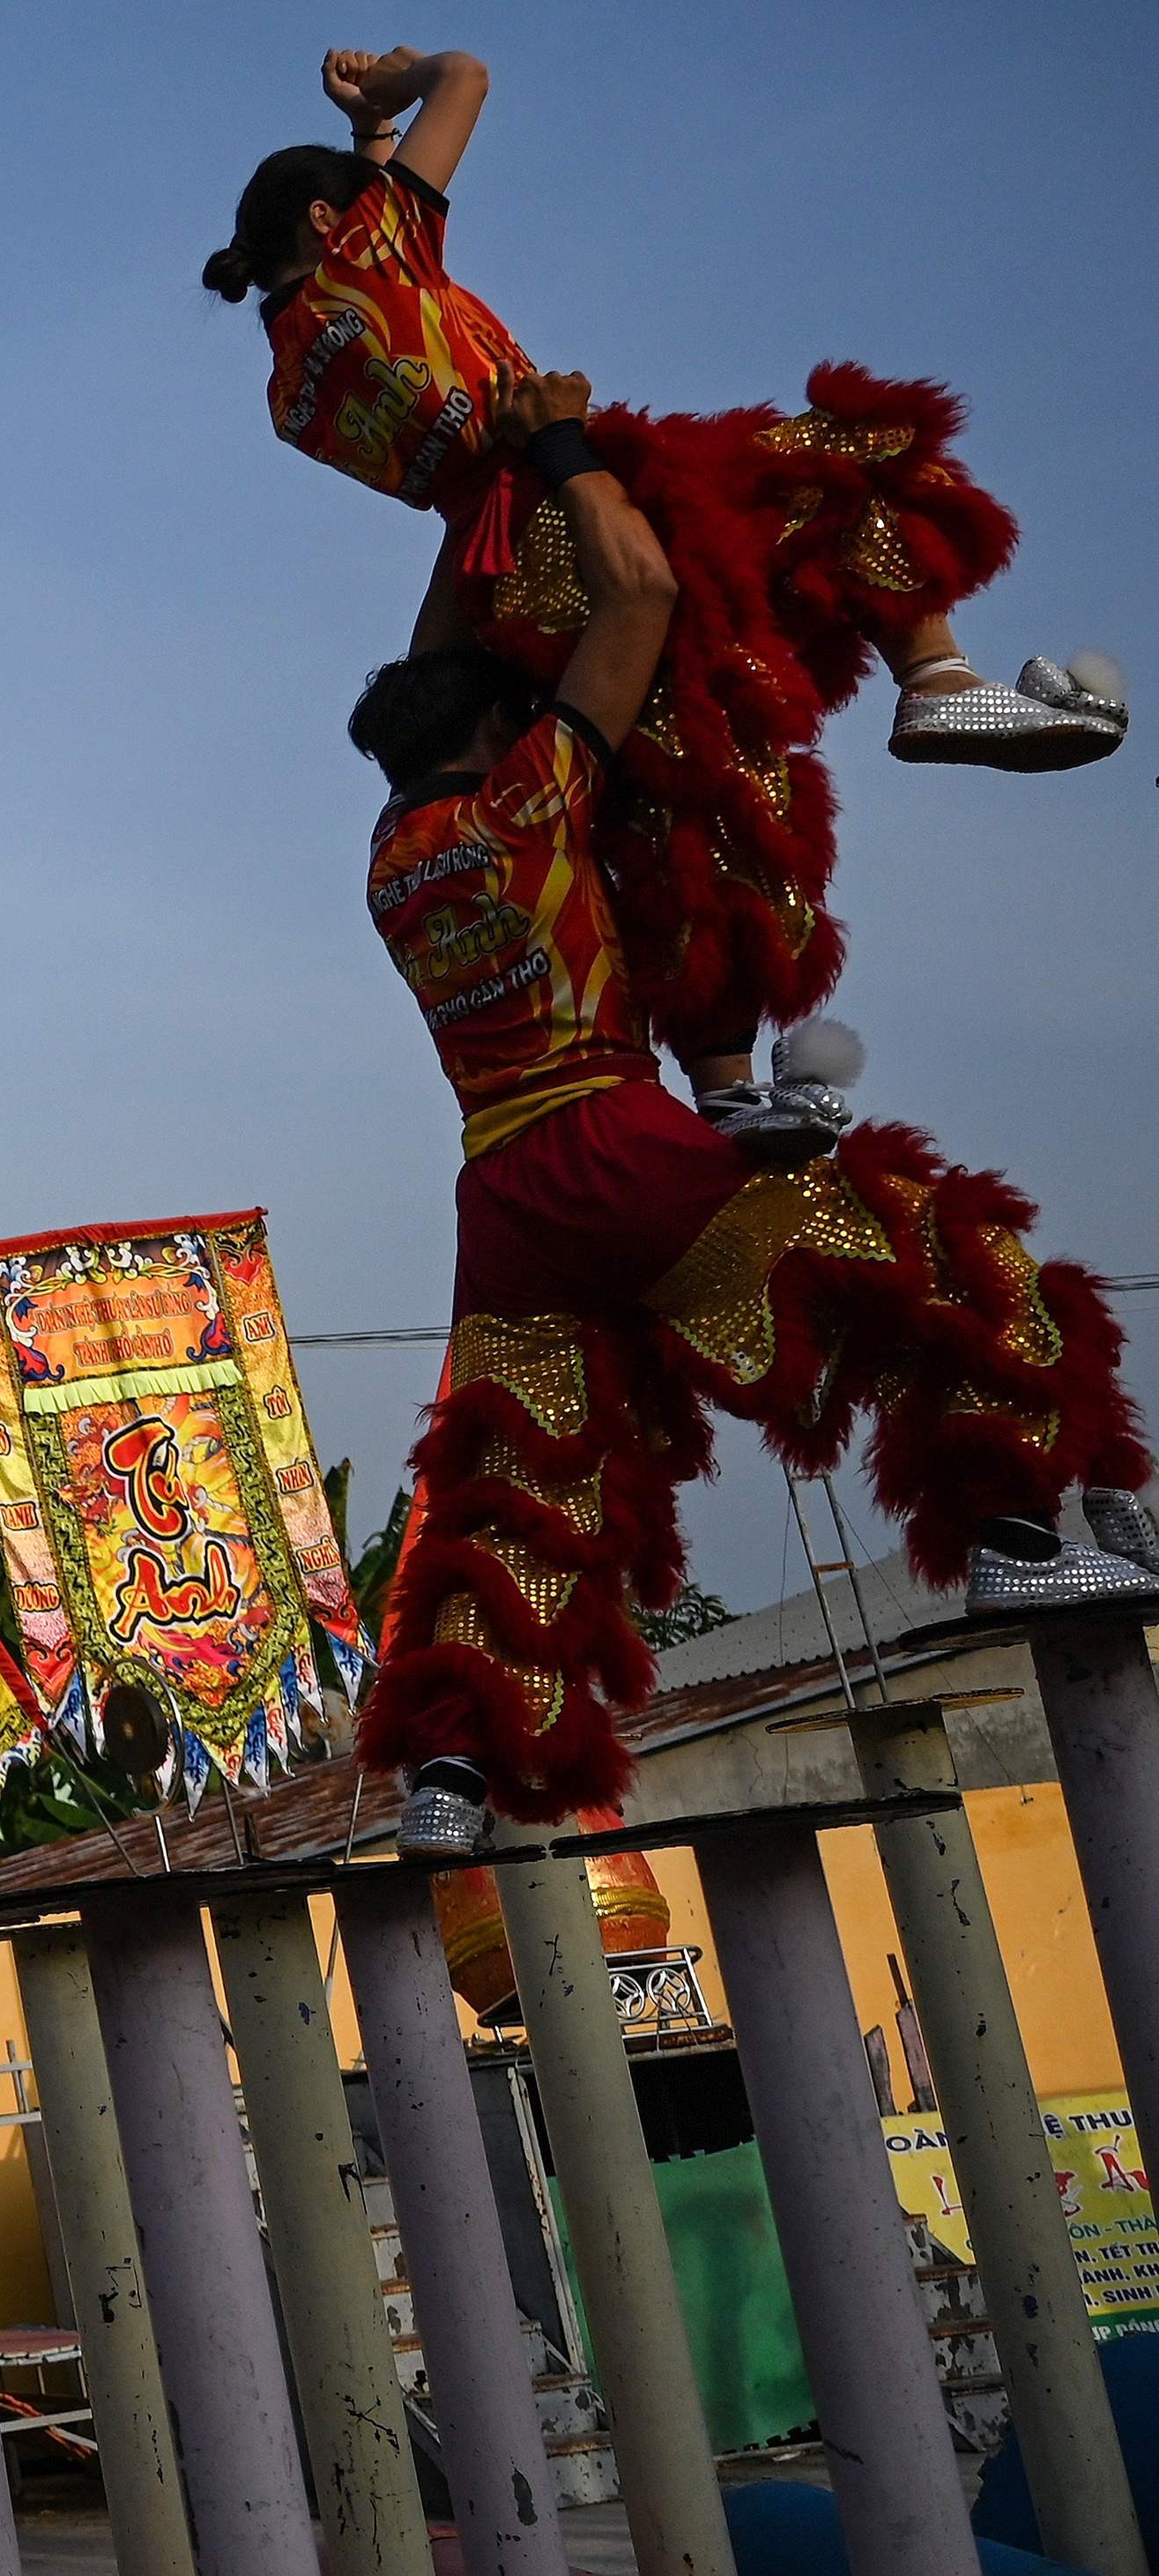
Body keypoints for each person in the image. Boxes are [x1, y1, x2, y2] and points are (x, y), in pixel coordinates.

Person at [337, 391, 1154, 1858]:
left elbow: (428, 672)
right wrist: (571, 458)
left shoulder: (395, 855)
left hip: (501, 1197)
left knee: (520, 1477)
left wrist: (487, 497)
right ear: (487, 735)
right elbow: (642, 591)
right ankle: (1019, 1542)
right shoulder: (528, 801)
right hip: (612, 1144)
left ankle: (448, 1776)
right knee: (942, 1261)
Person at [206, 43, 1126, 1158]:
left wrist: (365, 151)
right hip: (578, 496)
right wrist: (390, 88)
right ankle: (936, 679)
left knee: (673, 784)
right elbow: (471, 76)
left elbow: (399, 309)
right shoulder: (367, 261)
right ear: (329, 222)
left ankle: (728, 1086)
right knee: (845, 457)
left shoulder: (292, 384)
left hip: (502, 574)